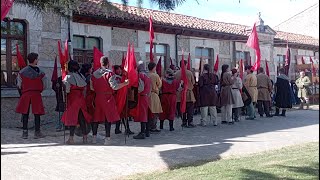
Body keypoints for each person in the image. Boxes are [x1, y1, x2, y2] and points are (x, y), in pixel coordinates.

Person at [91, 56, 129, 145]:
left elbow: (92, 87)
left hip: (98, 97)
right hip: (107, 98)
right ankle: (107, 139)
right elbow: (115, 87)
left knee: (96, 118)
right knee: (107, 118)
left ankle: (94, 138)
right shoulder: (110, 74)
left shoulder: (94, 74)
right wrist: (125, 83)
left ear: (101, 63)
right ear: (108, 63)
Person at [16, 53, 47, 139]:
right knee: (37, 114)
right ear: (35, 60)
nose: (38, 60)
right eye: (37, 59)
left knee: (25, 113)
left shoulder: (21, 72)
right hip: (36, 94)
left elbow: (19, 85)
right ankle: (37, 133)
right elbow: (45, 85)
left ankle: (25, 133)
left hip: (25, 94)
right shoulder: (41, 73)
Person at [61, 60, 92, 144]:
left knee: (72, 118)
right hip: (81, 99)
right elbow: (84, 87)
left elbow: (67, 90)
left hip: (73, 99)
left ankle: (71, 138)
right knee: (82, 118)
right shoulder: (81, 76)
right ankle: (85, 137)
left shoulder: (68, 77)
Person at [113, 65, 134, 135]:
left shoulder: (120, 77)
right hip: (118, 98)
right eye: (118, 70)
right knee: (123, 113)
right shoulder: (115, 78)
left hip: (121, 97)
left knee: (121, 113)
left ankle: (117, 128)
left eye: (120, 69)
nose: (119, 71)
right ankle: (126, 129)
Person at [175, 60, 196, 128]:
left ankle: (184, 121)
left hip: (179, 94)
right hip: (188, 93)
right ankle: (190, 122)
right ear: (186, 65)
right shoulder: (189, 73)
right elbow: (193, 82)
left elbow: (175, 84)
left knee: (181, 108)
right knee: (190, 109)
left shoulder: (176, 73)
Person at [133, 62, 152, 139]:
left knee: (143, 115)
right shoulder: (147, 76)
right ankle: (147, 131)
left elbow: (141, 88)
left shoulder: (141, 75)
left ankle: (142, 132)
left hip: (142, 96)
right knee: (146, 114)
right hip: (147, 96)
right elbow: (150, 87)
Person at [147, 62, 163, 133]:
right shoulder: (155, 75)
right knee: (155, 112)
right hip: (154, 94)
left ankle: (148, 126)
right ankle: (153, 126)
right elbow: (159, 85)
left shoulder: (146, 75)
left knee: (149, 112)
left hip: (147, 95)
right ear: (154, 67)